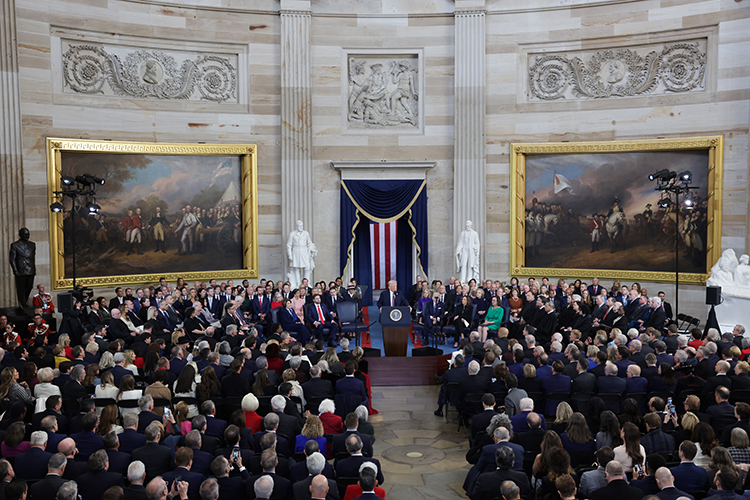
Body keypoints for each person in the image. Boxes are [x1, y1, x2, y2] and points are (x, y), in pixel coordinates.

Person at [287, 220, 317, 288]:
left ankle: (307, 283)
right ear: (296, 226)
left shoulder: (306, 233)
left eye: (301, 226)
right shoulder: (292, 234)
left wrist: (311, 248)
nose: (300, 227)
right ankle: (298, 283)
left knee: (307, 267)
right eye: (299, 226)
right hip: (296, 251)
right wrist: (290, 255)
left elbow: (309, 242)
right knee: (296, 268)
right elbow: (289, 245)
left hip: (304, 251)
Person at [456, 220, 480, 284]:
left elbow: (477, 243)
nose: (467, 226)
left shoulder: (475, 233)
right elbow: (460, 242)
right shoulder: (462, 233)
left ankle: (469, 279)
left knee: (470, 265)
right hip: (464, 250)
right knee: (463, 264)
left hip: (471, 250)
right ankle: (462, 280)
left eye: (468, 225)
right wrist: (458, 249)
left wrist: (476, 249)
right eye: (466, 225)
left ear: (471, 225)